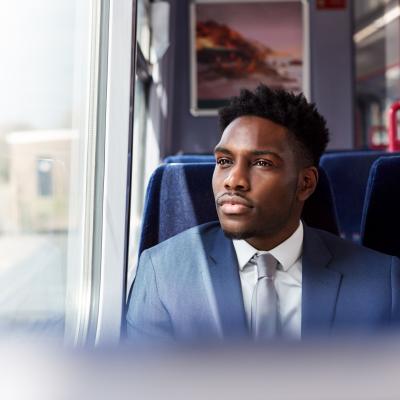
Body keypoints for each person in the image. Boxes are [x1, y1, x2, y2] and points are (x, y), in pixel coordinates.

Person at [126, 84, 400, 343]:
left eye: (261, 163)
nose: (233, 180)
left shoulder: (381, 282)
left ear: (305, 183)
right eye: (224, 161)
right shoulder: (163, 272)